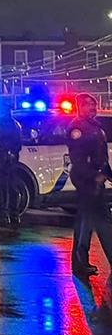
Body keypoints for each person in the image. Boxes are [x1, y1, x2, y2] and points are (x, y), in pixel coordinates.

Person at [66, 94, 112, 278]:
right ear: (80, 107)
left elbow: (101, 157)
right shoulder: (77, 128)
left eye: (94, 104)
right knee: (94, 222)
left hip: (97, 179)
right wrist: (94, 176)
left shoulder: (95, 126)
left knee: (95, 222)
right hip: (86, 180)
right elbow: (78, 159)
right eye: (88, 105)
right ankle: (80, 263)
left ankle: (83, 262)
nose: (92, 107)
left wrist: (107, 174)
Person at [0, 107, 24, 224]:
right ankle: (14, 215)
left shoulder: (5, 125)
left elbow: (2, 142)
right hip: (9, 159)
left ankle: (4, 215)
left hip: (3, 160)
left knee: (3, 187)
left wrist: (4, 154)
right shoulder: (14, 124)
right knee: (11, 187)